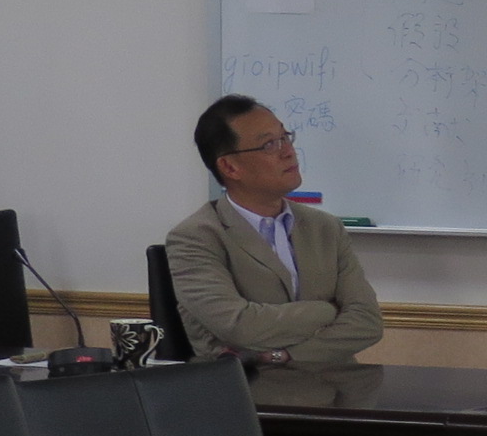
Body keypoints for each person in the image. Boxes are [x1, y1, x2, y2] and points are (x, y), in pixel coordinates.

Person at [163, 95, 382, 369]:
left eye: (285, 137)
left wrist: (285, 355)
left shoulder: (325, 228)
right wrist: (328, 311)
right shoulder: (196, 237)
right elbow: (239, 327)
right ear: (230, 167)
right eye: (269, 144)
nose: (288, 151)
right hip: (247, 388)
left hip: (334, 385)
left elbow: (368, 322)